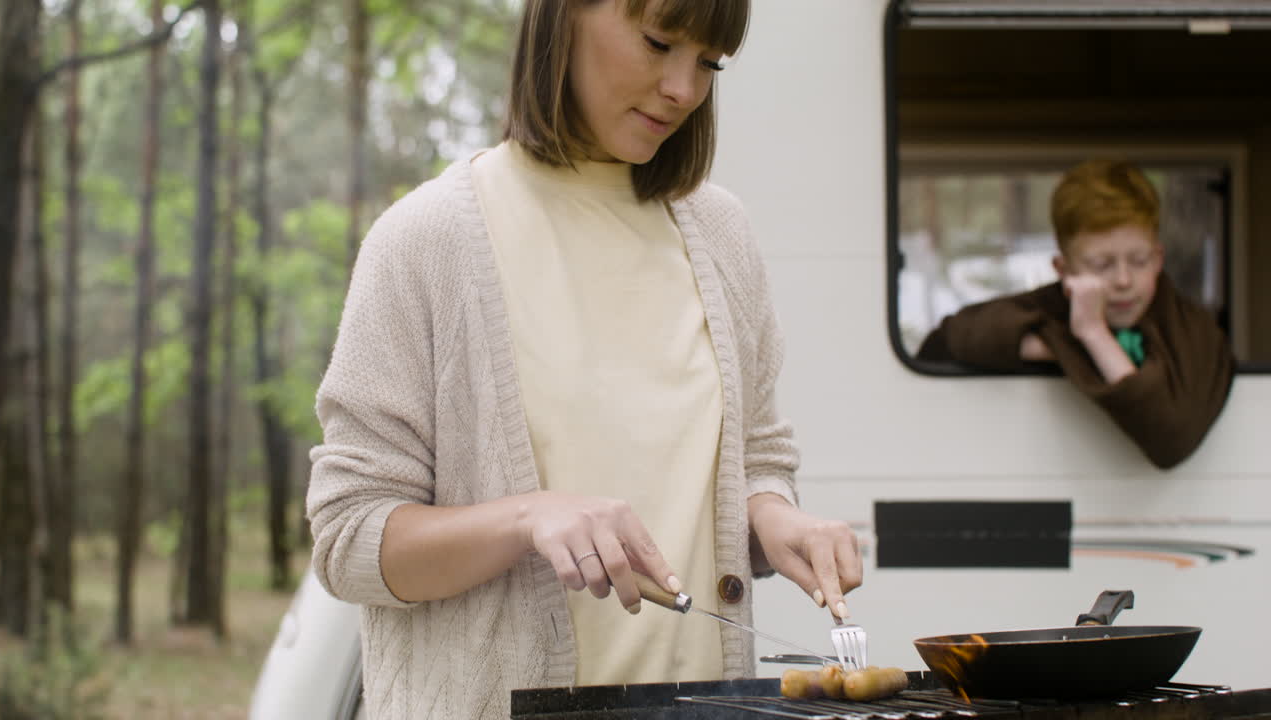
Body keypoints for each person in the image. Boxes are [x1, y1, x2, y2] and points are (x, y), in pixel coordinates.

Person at [306, 2, 862, 718]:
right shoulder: (425, 240)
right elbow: (349, 540)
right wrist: (525, 518)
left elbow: (755, 458)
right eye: (658, 42)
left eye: (708, 63)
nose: (684, 90)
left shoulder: (722, 234)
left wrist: (775, 516)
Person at [917, 159, 1235, 469]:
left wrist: (1093, 335)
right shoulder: (1045, 309)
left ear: (1158, 259)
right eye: (1102, 264)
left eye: (1139, 261)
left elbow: (1170, 438)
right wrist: (1054, 343)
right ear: (1063, 270)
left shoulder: (1193, 329)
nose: (1123, 280)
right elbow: (946, 342)